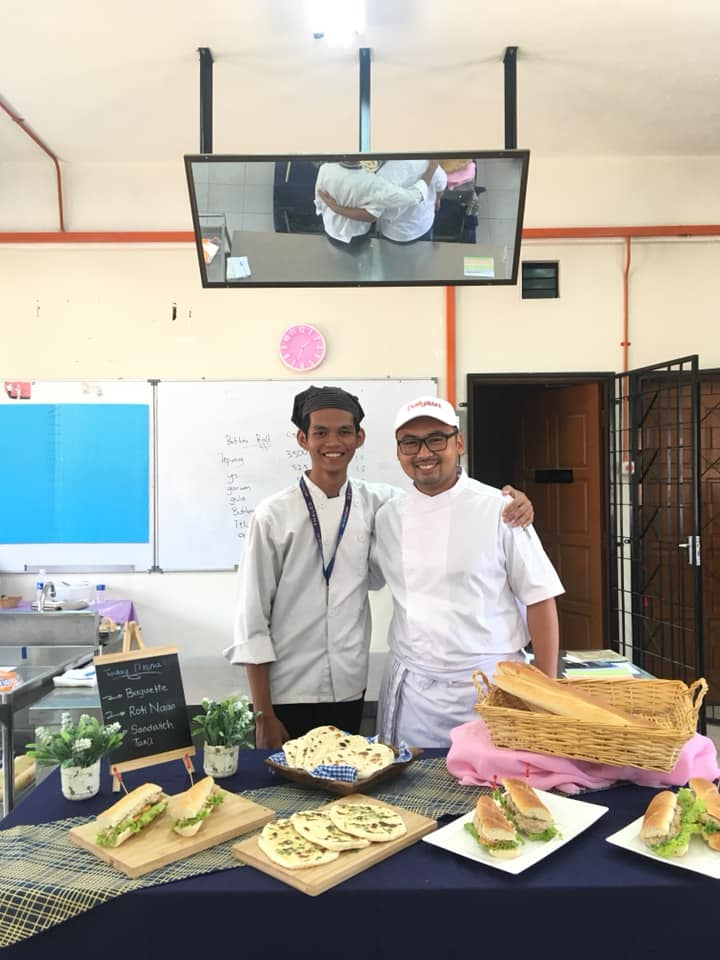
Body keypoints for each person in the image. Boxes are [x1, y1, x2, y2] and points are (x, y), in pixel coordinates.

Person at [224, 386, 535, 749]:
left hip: (349, 685)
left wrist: (515, 501)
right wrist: (263, 715)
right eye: (320, 432)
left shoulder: (382, 504)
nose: (332, 442)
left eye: (343, 431)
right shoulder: (272, 516)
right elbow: (251, 618)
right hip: (288, 688)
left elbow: (441, 500)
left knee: (345, 790)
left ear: (359, 438)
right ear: (302, 439)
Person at [371, 395, 565, 749]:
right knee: (409, 793)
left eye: (436, 438)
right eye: (410, 443)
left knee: (492, 790)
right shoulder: (387, 517)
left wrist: (545, 689)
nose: (423, 452)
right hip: (416, 691)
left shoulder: (501, 510)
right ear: (398, 452)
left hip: (490, 685)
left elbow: (540, 598)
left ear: (457, 442)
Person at [314, 159, 440, 245]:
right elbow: (414, 197)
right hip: (358, 235)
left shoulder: (325, 168)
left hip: (330, 229)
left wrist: (334, 209)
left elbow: (319, 199)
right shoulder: (374, 182)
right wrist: (432, 168)